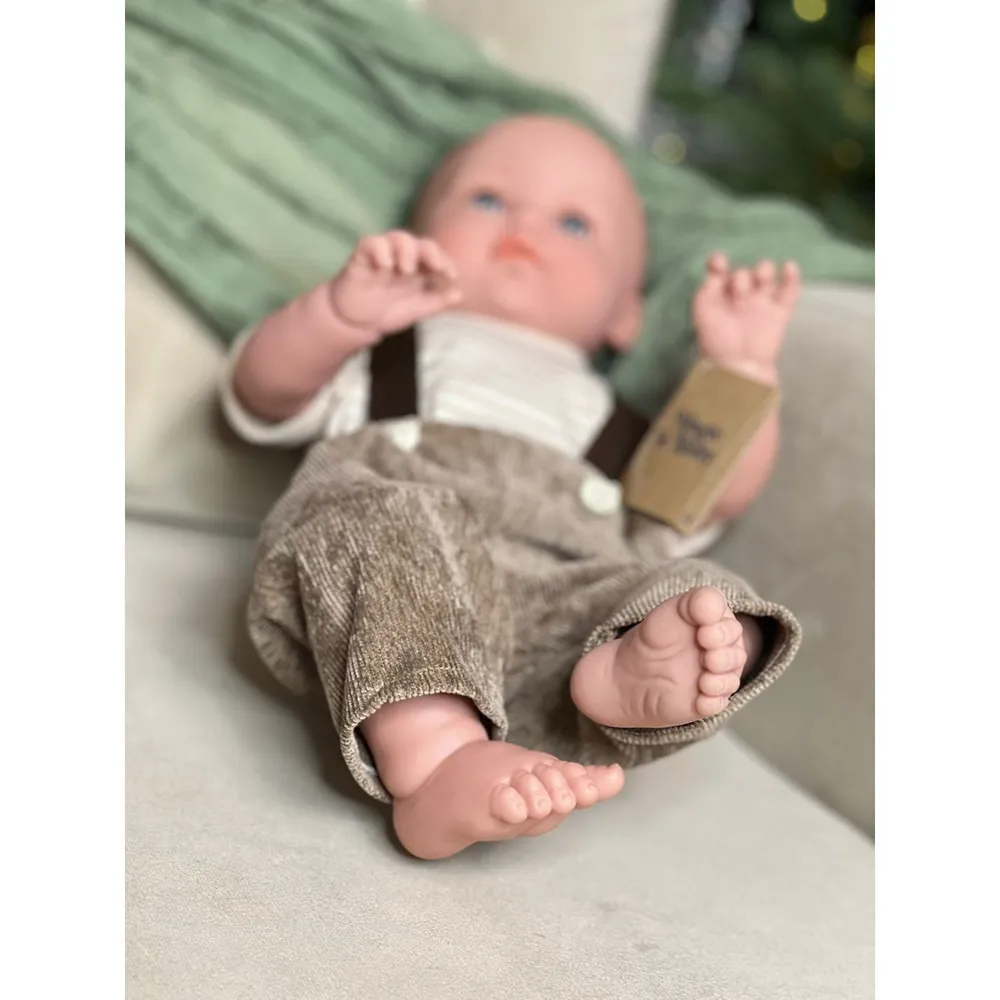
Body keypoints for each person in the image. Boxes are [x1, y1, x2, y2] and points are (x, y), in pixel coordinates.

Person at [221, 115, 802, 860]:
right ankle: (435, 757)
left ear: (626, 313)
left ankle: (626, 677)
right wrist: (336, 315)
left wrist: (743, 373)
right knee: (375, 511)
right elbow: (264, 392)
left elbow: (709, 497)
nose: (526, 228)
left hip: (556, 623)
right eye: (488, 200)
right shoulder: (389, 350)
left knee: (706, 593)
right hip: (388, 603)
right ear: (421, 238)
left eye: (574, 222)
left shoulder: (618, 424)